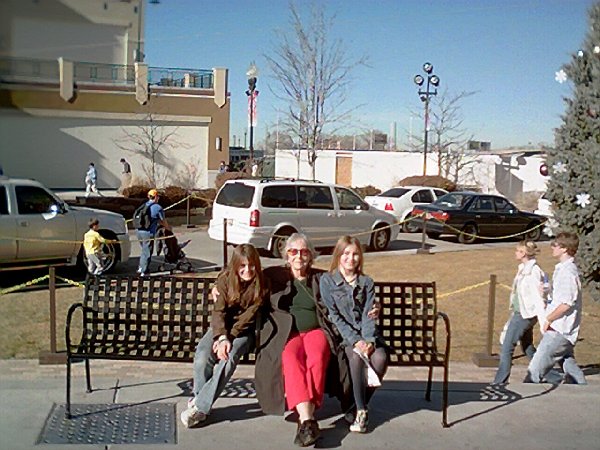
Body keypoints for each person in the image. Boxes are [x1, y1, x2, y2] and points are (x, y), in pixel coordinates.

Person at [254, 233, 353, 447]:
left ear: (311, 256)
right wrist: (218, 285)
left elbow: (349, 291)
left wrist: (374, 307)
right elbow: (242, 274)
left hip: (315, 330)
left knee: (317, 357)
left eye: (304, 252)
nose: (299, 256)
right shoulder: (273, 276)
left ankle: (306, 416)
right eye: (293, 252)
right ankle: (308, 419)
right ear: (286, 256)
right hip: (288, 333)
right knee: (291, 360)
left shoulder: (321, 278)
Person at [181, 244, 269, 428]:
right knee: (203, 355)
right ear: (235, 265)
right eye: (242, 266)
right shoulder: (225, 280)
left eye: (252, 265)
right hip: (221, 329)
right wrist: (221, 337)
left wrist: (228, 339)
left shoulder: (261, 285)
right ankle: (201, 403)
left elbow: (248, 317)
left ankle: (199, 407)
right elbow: (218, 311)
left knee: (228, 358)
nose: (247, 270)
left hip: (244, 332)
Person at [319, 236, 389, 433]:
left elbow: (369, 315)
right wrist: (356, 341)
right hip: (345, 337)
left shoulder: (367, 282)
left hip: (367, 334)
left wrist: (367, 341)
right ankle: (360, 411)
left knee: (381, 358)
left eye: (355, 254)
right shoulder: (328, 281)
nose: (351, 258)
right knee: (356, 357)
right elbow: (334, 316)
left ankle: (355, 404)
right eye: (346, 254)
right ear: (338, 256)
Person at [525, 232, 586, 385]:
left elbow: (566, 303)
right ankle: (583, 392)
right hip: (561, 329)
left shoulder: (568, 272)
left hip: (559, 329)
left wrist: (548, 319)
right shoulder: (563, 269)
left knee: (534, 371)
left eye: (556, 245)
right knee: (570, 367)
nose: (552, 247)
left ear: (565, 249)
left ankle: (525, 400)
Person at [492, 240, 546, 385]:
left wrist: (543, 320)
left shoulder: (533, 271)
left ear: (524, 253)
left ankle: (500, 381)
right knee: (528, 348)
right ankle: (551, 375)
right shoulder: (522, 268)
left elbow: (538, 296)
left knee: (507, 347)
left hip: (524, 314)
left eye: (518, 251)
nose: (515, 253)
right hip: (520, 311)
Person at [136, 188, 170, 276]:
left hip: (139, 231)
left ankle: (140, 267)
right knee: (147, 251)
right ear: (155, 197)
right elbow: (163, 221)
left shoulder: (144, 205)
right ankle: (144, 271)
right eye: (157, 196)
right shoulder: (158, 207)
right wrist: (168, 229)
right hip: (148, 232)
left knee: (144, 249)